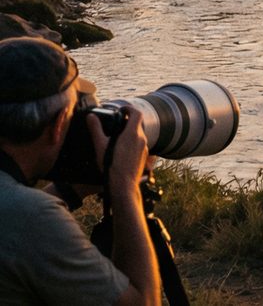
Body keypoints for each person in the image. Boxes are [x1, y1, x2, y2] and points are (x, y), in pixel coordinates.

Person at [0, 37, 159, 305]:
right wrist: (124, 186)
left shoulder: (20, 213)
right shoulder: (32, 218)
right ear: (59, 124)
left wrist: (68, 190)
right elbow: (142, 301)